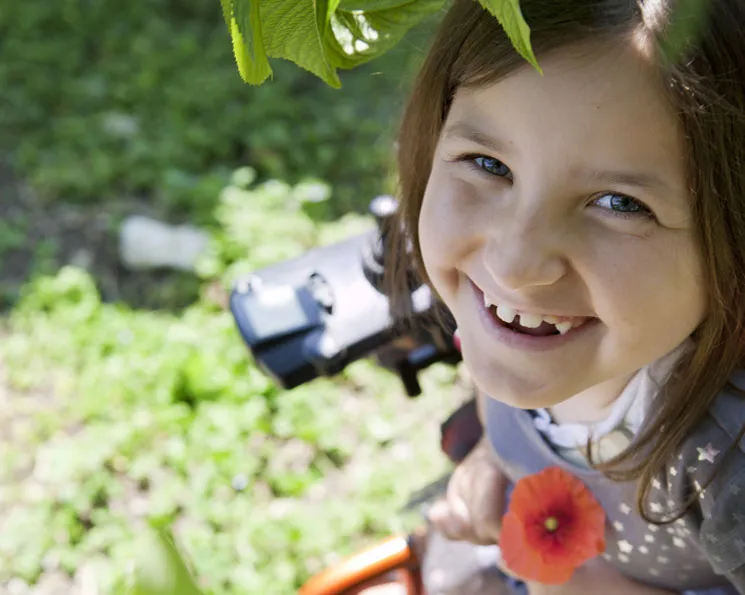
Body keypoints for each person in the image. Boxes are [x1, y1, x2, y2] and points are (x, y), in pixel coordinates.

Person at [383, 0, 745, 593]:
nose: (516, 266)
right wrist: (488, 461)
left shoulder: (727, 459)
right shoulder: (522, 328)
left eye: (621, 204)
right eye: (486, 163)